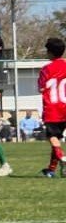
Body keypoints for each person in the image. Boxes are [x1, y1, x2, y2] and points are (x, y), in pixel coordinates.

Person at [37, 37, 66, 177]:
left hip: (53, 109)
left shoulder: (46, 69)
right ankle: (51, 169)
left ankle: (62, 157)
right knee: (57, 139)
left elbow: (41, 88)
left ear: (50, 52)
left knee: (52, 137)